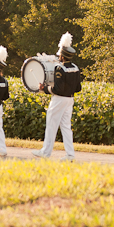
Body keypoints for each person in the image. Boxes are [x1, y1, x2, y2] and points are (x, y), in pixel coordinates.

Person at [33, 32, 82, 161]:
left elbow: (57, 89)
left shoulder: (59, 69)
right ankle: (70, 154)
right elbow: (78, 88)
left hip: (59, 100)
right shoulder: (76, 68)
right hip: (69, 100)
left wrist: (45, 88)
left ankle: (46, 151)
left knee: (51, 124)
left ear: (62, 56)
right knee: (66, 127)